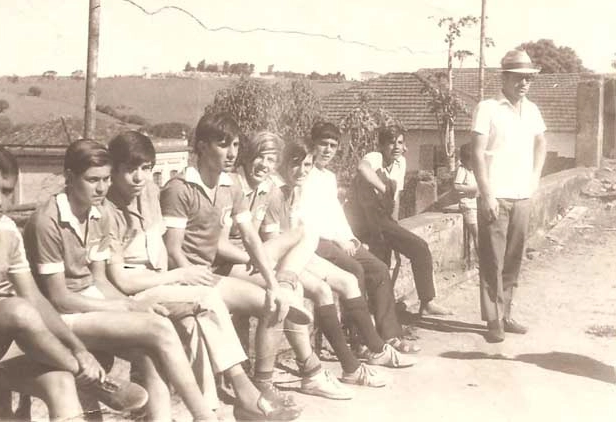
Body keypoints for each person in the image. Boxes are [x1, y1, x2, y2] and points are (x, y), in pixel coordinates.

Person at [0, 145, 147, 421]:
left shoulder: (6, 231)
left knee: (60, 382)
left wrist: (79, 348)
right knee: (15, 309)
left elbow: (36, 299)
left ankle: (78, 371)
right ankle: (93, 379)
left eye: (6, 191)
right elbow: (22, 307)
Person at [103, 130, 300, 420]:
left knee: (195, 323)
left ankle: (208, 412)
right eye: (130, 170)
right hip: (136, 292)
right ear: (114, 170)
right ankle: (243, 390)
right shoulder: (108, 209)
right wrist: (179, 275)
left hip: (162, 283)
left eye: (145, 169)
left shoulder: (149, 195)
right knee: (206, 299)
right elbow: (123, 281)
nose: (139, 178)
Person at [23, 139, 217, 422]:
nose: (101, 188)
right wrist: (126, 309)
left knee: (150, 353)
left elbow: (100, 280)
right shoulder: (48, 221)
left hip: (90, 305)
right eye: (92, 180)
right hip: (58, 319)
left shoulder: (98, 212)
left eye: (105, 179)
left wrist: (131, 304)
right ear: (68, 177)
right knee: (160, 329)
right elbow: (59, 298)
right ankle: (204, 416)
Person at [159, 113, 331, 411]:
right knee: (220, 305)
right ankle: (247, 398)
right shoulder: (179, 188)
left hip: (214, 276)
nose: (232, 152)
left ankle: (261, 385)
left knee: (274, 301)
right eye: (223, 145)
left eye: (236, 145)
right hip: (185, 278)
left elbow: (251, 238)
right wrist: (193, 279)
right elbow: (173, 251)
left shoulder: (230, 186)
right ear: (201, 146)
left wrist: (274, 282)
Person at [222, 132, 398, 396]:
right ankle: (325, 369)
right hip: (265, 260)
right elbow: (258, 240)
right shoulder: (267, 190)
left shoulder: (272, 190)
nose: (301, 170)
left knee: (345, 278)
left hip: (279, 257)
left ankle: (366, 354)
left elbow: (260, 237)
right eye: (261, 157)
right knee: (303, 285)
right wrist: (260, 261)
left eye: (306, 165)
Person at [300, 121, 421, 355]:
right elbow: (308, 218)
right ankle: (359, 341)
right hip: (315, 242)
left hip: (338, 239)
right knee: (354, 271)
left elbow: (335, 213)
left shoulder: (328, 177)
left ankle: (390, 335)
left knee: (379, 268)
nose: (327, 150)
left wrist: (351, 239)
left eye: (332, 146)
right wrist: (338, 240)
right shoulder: (304, 174)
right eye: (322, 144)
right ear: (312, 145)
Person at [471, 49, 546, 343]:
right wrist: (486, 193)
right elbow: (477, 154)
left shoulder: (533, 110)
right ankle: (493, 319)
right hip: (496, 195)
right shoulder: (487, 108)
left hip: (521, 195)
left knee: (514, 259)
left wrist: (535, 178)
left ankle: (506, 313)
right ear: (504, 77)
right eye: (518, 78)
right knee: (492, 260)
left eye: (528, 78)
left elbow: (541, 143)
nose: (524, 83)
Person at [351, 123, 452, 316]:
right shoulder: (375, 157)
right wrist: (383, 188)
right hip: (363, 220)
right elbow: (362, 168)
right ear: (381, 145)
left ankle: (426, 302)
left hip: (384, 221)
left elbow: (396, 197)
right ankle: (378, 312)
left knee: (419, 248)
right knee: (381, 261)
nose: (396, 147)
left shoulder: (401, 163)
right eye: (390, 142)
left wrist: (395, 228)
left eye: (399, 142)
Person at [454, 143, 479, 262]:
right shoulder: (462, 170)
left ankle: (480, 259)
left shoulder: (473, 171)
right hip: (468, 206)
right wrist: (472, 190)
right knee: (477, 234)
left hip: (476, 205)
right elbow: (456, 186)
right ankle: (482, 260)